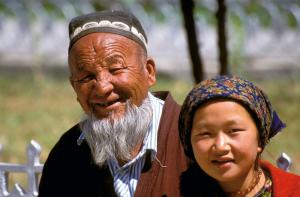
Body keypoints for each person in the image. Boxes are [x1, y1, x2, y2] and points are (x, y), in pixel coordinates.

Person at [38, 10, 189, 197]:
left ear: (149, 72)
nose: (102, 88)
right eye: (86, 76)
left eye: (116, 69)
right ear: (74, 87)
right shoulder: (67, 155)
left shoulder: (193, 137)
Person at [178, 75, 300, 196]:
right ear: (189, 142)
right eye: (205, 133)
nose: (221, 146)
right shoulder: (173, 191)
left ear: (260, 138)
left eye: (233, 130)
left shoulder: (294, 191)